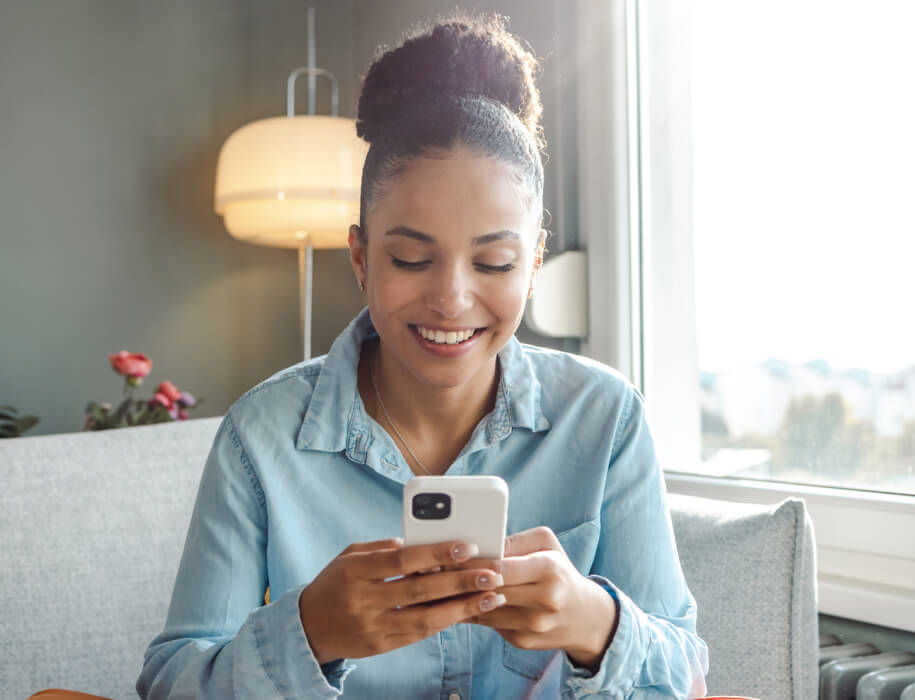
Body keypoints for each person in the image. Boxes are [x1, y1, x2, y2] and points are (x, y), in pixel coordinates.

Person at [137, 13, 709, 699]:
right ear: (359, 257)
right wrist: (310, 634)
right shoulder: (261, 437)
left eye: (494, 262)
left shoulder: (603, 417)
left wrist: (595, 623)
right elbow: (171, 683)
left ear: (532, 266)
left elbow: (686, 672)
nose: (450, 298)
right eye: (411, 258)